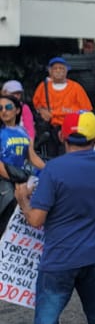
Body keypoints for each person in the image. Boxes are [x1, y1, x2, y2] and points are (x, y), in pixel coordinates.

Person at [17, 83, 95, 324]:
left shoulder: (54, 170)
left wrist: (23, 201)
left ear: (64, 136)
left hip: (60, 261)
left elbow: (37, 220)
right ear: (94, 136)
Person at [0, 93, 45, 236]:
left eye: (8, 107)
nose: (4, 111)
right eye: (0, 108)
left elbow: (32, 157)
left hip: (20, 179)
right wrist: (16, 180)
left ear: (17, 110)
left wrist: (49, 170)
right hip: (5, 180)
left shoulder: (23, 132)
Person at [32, 57, 93, 158]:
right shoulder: (43, 87)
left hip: (71, 129)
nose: (58, 71)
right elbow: (36, 104)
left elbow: (87, 110)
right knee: (50, 156)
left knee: (69, 155)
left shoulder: (76, 87)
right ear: (50, 71)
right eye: (55, 68)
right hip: (51, 128)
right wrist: (42, 111)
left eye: (61, 68)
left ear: (66, 71)